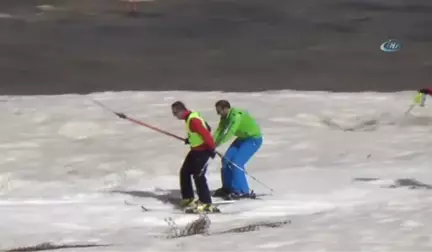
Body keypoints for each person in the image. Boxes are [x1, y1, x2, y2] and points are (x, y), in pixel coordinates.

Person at [171, 101, 219, 213]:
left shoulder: (193, 120)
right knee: (185, 172)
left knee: (199, 176)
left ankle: (206, 203)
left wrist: (211, 149)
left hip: (203, 151)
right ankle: (188, 198)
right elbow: (207, 127)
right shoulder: (190, 118)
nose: (174, 115)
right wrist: (191, 139)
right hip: (195, 150)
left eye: (175, 113)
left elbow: (206, 134)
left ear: (181, 111)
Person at [212, 100, 263, 199]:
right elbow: (219, 131)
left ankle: (242, 191)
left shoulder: (236, 116)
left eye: (219, 111)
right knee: (226, 159)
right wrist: (211, 143)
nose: (218, 114)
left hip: (253, 139)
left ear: (226, 109)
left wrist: (217, 144)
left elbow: (230, 132)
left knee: (237, 163)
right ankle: (227, 188)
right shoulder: (224, 117)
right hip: (242, 139)